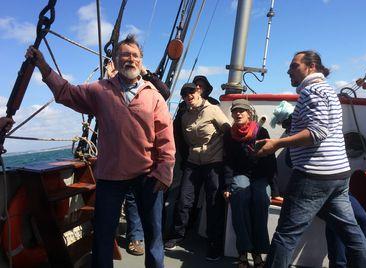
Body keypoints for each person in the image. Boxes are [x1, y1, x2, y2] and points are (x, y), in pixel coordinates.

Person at [25, 34, 175, 268]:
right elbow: (66, 92)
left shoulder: (154, 96)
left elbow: (165, 137)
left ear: (141, 61)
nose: (130, 59)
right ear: (115, 59)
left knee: (154, 236)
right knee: (104, 236)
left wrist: (164, 171)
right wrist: (43, 67)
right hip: (110, 177)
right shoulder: (100, 91)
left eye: (135, 55)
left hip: (148, 175)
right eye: (125, 54)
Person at [255, 50, 366, 268]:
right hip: (338, 175)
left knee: (286, 235)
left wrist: (277, 143)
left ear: (311, 67)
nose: (289, 70)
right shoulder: (327, 91)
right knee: (351, 233)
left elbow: (316, 132)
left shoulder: (312, 91)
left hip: (314, 175)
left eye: (294, 66)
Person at [105, 61, 171, 257]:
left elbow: (164, 93)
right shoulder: (111, 86)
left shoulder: (148, 87)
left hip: (148, 162)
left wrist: (145, 72)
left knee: (150, 208)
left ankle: (147, 241)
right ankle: (135, 237)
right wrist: (110, 78)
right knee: (131, 200)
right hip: (120, 159)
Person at [164, 82, 230, 261]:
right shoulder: (185, 116)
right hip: (193, 162)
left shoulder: (213, 110)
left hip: (213, 162)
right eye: (185, 94)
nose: (189, 96)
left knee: (213, 203)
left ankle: (214, 244)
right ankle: (177, 235)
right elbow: (186, 141)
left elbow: (227, 132)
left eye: (191, 92)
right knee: (184, 200)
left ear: (199, 91)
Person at [223, 99, 278, 268]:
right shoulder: (229, 135)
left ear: (249, 114)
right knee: (239, 200)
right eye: (235, 111)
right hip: (241, 174)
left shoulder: (261, 132)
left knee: (261, 202)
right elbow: (228, 162)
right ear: (232, 114)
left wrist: (275, 190)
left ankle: (257, 252)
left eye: (242, 111)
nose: (238, 113)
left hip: (260, 176)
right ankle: (243, 251)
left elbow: (270, 160)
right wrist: (226, 186)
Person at [325, 194, 366, 267]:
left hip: (341, 190)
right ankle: (338, 264)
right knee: (337, 217)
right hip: (316, 190)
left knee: (362, 218)